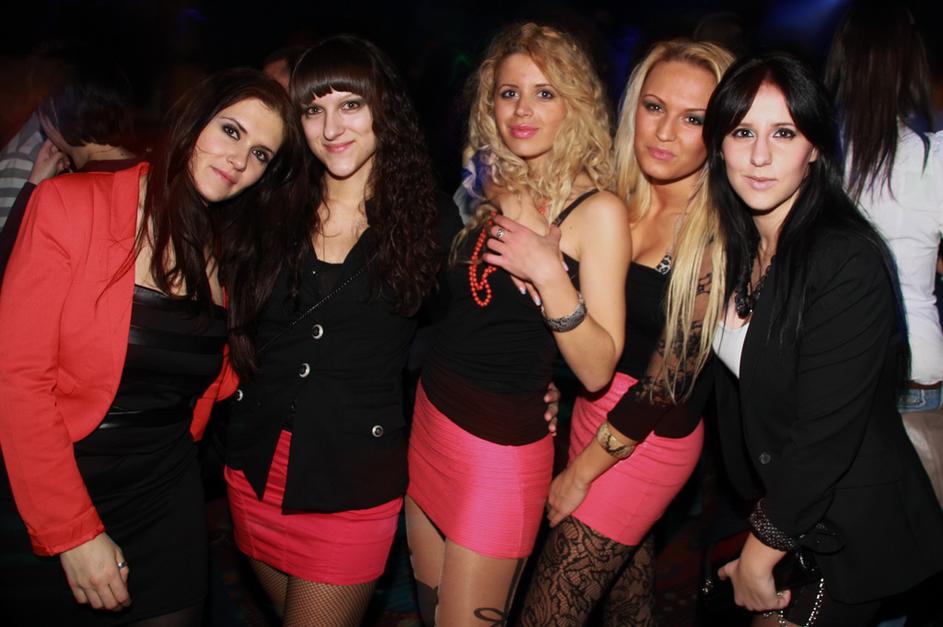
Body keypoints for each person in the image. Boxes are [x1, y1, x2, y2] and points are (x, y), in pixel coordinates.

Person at [0, 68, 303, 626]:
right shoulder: (70, 206)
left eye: (261, 154)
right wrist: (73, 533)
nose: (240, 160)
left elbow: (213, 385)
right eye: (231, 131)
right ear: (193, 120)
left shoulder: (231, 252)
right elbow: (17, 381)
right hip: (52, 487)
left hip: (165, 497)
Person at [221, 36, 463, 627]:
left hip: (352, 481)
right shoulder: (269, 205)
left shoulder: (432, 222)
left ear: (385, 107)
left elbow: (456, 335)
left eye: (350, 104)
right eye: (313, 109)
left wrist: (535, 388)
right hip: (254, 468)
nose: (331, 128)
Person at [405, 23, 631, 626]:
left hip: (499, 453)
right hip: (432, 415)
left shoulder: (599, 213)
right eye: (509, 93)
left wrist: (549, 274)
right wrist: (508, 194)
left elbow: (597, 369)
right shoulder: (486, 177)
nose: (522, 110)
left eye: (544, 93)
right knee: (429, 611)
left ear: (574, 104)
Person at [705, 53, 943, 626]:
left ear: (814, 148)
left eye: (784, 133)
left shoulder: (844, 259)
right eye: (743, 132)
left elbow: (825, 436)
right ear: (719, 145)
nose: (760, 156)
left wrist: (760, 552)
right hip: (789, 511)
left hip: (852, 527)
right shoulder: (741, 246)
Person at [519, 39, 733, 627]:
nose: (664, 132)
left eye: (693, 119)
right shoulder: (611, 199)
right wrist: (550, 379)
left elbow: (667, 386)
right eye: (654, 107)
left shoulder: (715, 234)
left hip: (649, 437)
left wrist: (580, 474)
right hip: (591, 411)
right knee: (627, 605)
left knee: (547, 614)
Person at [826, 2, 943, 504]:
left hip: (832, 372)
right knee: (924, 536)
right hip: (914, 369)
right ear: (912, 68)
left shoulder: (807, 157)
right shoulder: (934, 158)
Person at [0, 60, 139, 286]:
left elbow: (10, 275)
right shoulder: (157, 177)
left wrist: (33, 187)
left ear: (54, 116)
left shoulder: (59, 193)